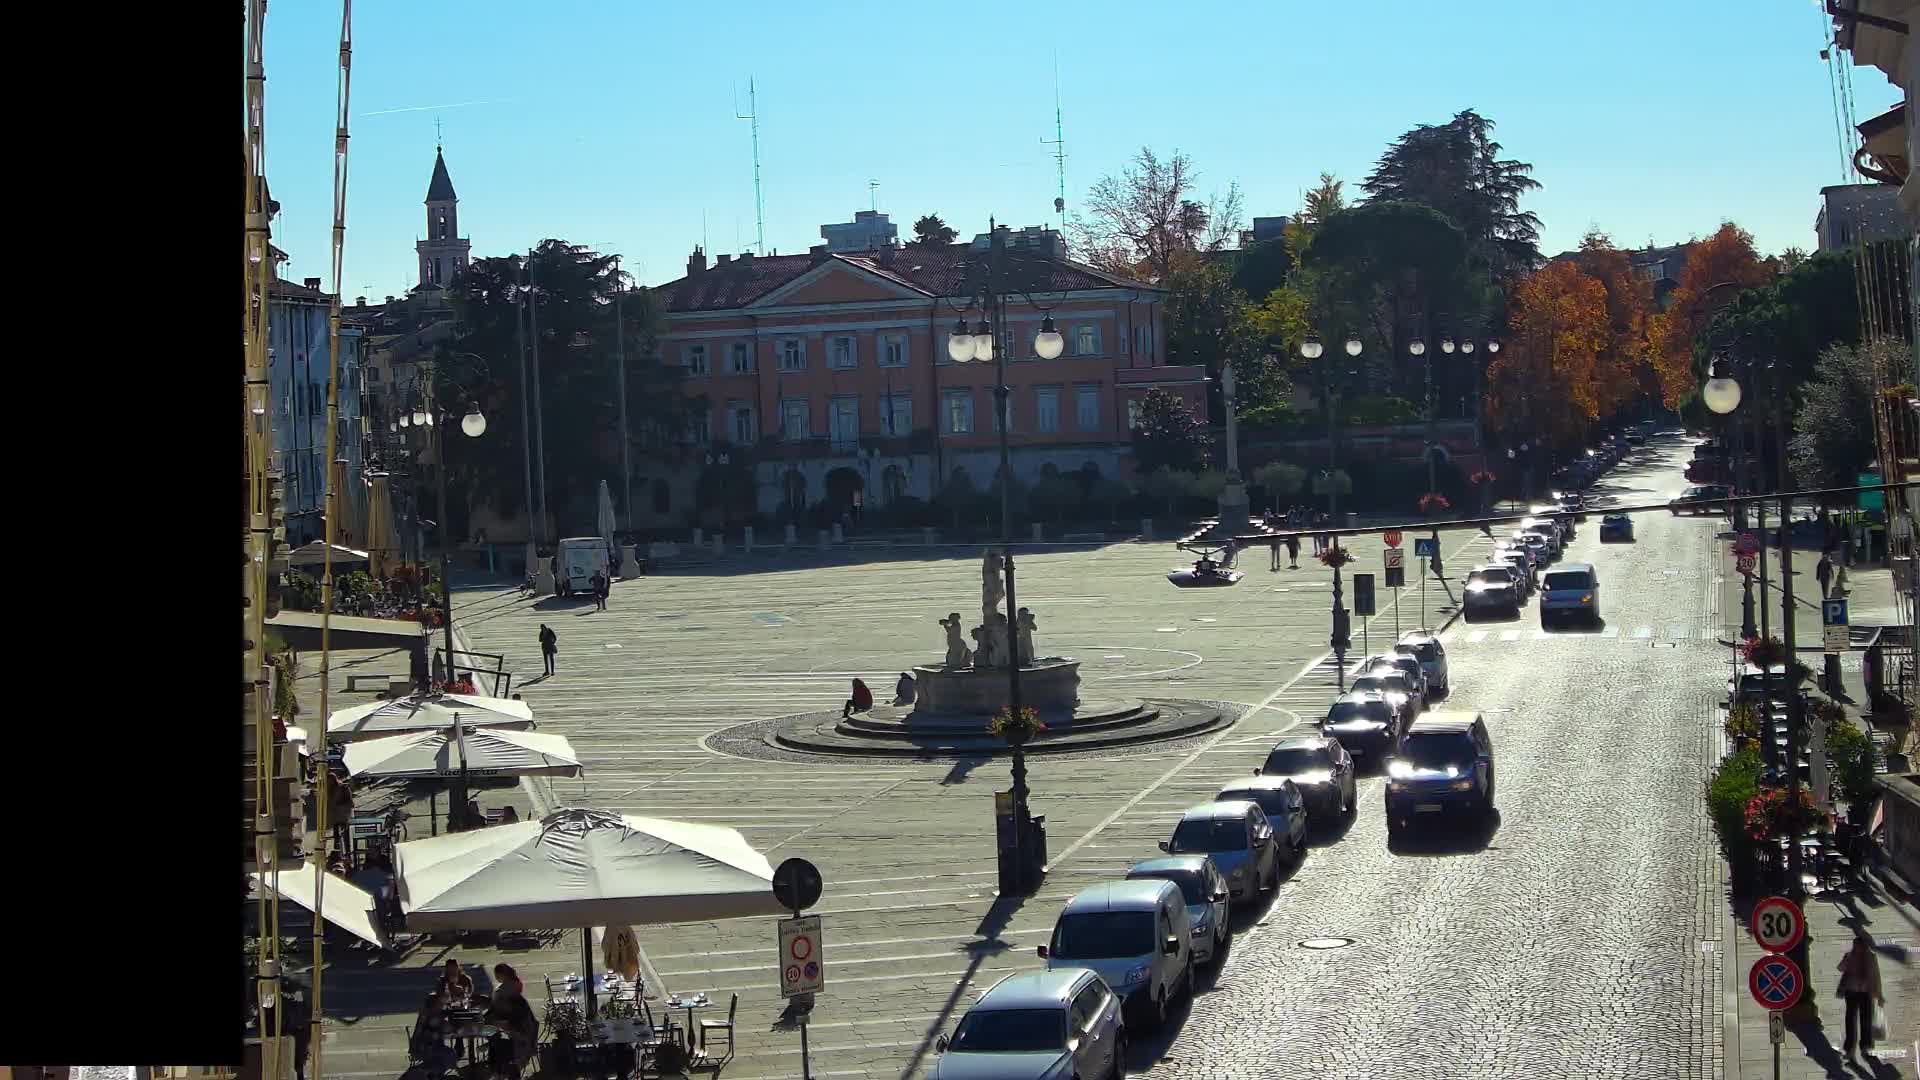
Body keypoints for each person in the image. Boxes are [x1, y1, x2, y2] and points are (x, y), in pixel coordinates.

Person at [1837, 931, 1885, 1059]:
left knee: (1866, 1021)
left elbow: (1876, 976)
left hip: (1866, 993)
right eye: (1855, 946)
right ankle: (1849, 1049)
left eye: (1859, 946)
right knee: (1850, 1021)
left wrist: (1879, 995)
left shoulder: (1871, 957)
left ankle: (1865, 1048)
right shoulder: (1849, 956)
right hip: (1851, 993)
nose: (1857, 949)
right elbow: (1840, 968)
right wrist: (1846, 959)